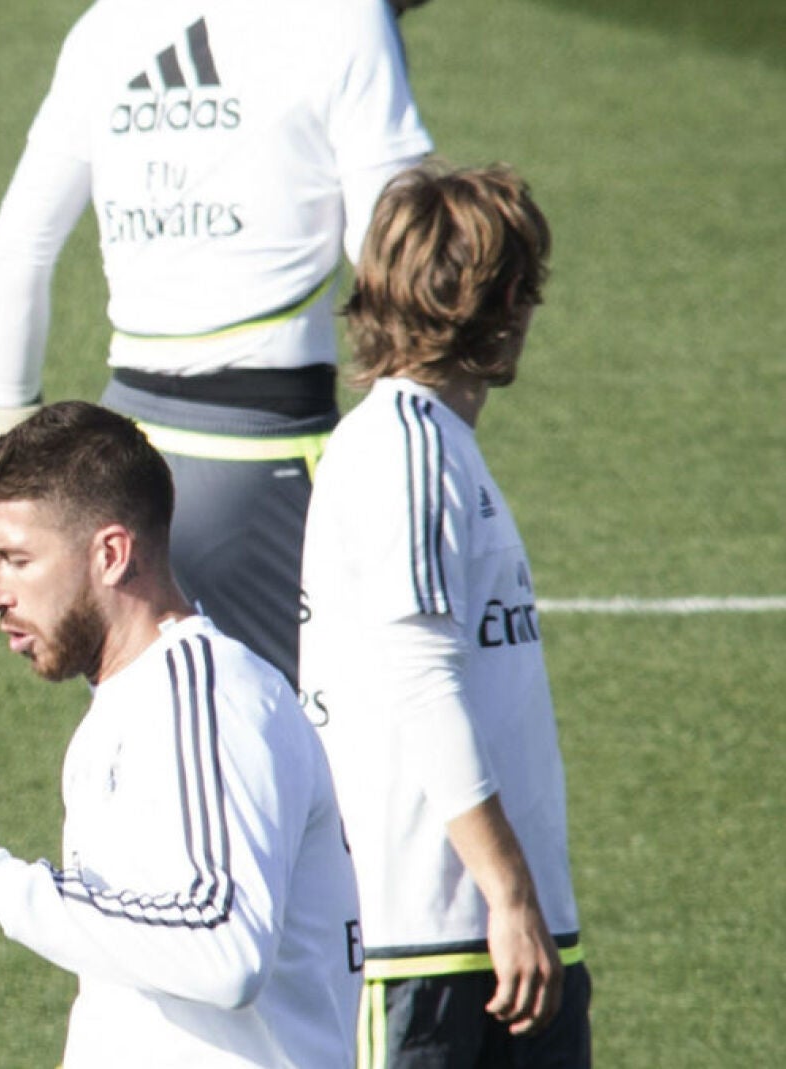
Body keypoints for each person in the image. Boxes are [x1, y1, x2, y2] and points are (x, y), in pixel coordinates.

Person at [0, 402, 364, 1067]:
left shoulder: (207, 697)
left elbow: (225, 950)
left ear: (110, 553)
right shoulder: (125, 707)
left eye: (16, 559)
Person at [0, 0, 432, 685]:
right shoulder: (342, 17)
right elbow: (399, 252)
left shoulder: (108, 26)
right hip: (266, 459)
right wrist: (423, 436)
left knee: (144, 737)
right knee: (312, 749)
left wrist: (0, 491)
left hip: (116, 461)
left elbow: (17, 255)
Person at [297, 164, 589, 1066]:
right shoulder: (408, 447)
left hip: (483, 939)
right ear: (503, 298)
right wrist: (507, 894)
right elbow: (420, 676)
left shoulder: (433, 447)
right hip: (434, 938)